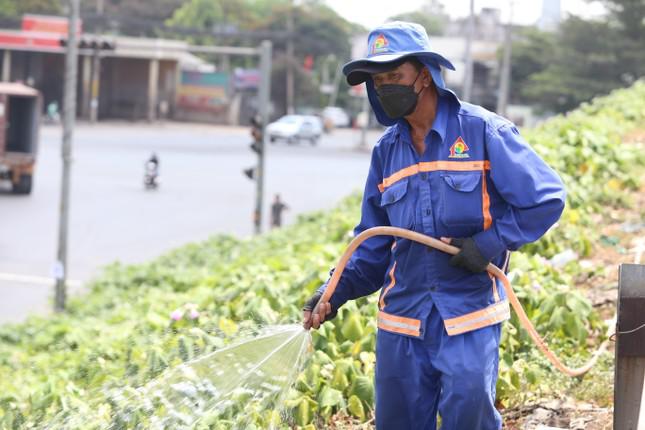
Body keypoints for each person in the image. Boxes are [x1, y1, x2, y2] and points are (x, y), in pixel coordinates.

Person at [302, 21, 566, 430]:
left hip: (468, 315)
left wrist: (490, 243)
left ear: (424, 76)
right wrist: (333, 291)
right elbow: (372, 245)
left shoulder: (482, 132)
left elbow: (545, 199)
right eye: (378, 80)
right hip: (402, 322)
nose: (385, 86)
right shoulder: (386, 152)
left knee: (468, 414)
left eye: (394, 76)